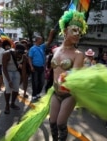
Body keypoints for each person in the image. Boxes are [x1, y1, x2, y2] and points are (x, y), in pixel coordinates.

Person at [49, 10, 88, 141]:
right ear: (65, 31)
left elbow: (74, 76)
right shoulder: (55, 50)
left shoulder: (78, 54)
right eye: (74, 30)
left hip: (69, 95)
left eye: (80, 32)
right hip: (55, 92)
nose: (78, 34)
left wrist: (70, 74)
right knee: (52, 122)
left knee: (60, 123)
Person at [28, 29, 55, 101]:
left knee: (42, 81)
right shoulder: (32, 48)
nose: (42, 41)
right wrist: (31, 66)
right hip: (35, 67)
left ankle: (38, 93)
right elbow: (29, 58)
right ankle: (34, 95)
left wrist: (51, 33)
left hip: (42, 67)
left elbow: (49, 41)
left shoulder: (42, 47)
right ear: (37, 40)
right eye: (41, 39)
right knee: (35, 81)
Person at [2, 43, 28, 114]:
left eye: (22, 53)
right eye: (19, 52)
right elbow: (4, 68)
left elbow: (23, 69)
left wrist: (22, 79)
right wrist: (9, 80)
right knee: (8, 89)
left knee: (16, 89)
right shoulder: (7, 54)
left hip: (16, 71)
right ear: (15, 50)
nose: (20, 55)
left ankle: (12, 104)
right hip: (7, 71)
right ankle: (7, 105)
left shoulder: (24, 57)